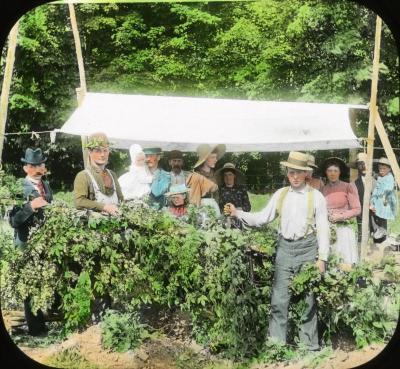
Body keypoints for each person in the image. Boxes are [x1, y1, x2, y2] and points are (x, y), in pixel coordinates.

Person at [224, 151, 329, 351]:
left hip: (307, 249)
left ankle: (310, 347)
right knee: (279, 300)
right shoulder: (280, 194)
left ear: (306, 173)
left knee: (308, 300)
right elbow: (262, 217)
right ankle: (276, 346)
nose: (295, 177)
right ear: (287, 173)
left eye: (299, 173)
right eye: (291, 173)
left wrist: (322, 258)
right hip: (284, 250)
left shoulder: (316, 197)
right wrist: (238, 212)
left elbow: (323, 228)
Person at [9, 147, 53, 336]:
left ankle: (44, 321)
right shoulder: (18, 187)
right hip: (26, 244)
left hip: (45, 242)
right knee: (30, 284)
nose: (37, 168)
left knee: (45, 281)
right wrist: (30, 207)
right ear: (26, 168)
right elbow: (13, 221)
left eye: (40, 164)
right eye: (33, 165)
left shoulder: (47, 185)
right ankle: (36, 329)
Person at [321, 157, 361, 266]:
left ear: (339, 172)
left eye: (335, 171)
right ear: (326, 172)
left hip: (344, 229)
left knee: (344, 261)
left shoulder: (348, 187)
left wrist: (340, 216)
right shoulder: (323, 189)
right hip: (328, 229)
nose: (332, 174)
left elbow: (357, 209)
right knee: (331, 261)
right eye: (329, 171)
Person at [74, 132, 123, 216]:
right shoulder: (83, 176)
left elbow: (121, 199)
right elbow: (79, 202)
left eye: (105, 150)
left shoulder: (112, 174)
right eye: (98, 151)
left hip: (116, 222)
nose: (102, 154)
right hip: (96, 225)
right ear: (90, 152)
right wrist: (104, 207)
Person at [370, 157, 397, 245]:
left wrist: (384, 197)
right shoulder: (380, 177)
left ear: (389, 169)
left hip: (386, 198)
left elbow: (388, 189)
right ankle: (378, 230)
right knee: (375, 214)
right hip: (378, 197)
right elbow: (377, 188)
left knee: (383, 215)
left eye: (384, 169)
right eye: (380, 168)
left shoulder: (389, 177)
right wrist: (373, 198)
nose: (381, 170)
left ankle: (383, 231)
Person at [215, 162, 251, 229]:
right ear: (223, 177)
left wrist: (237, 209)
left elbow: (248, 207)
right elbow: (216, 207)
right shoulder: (219, 190)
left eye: (230, 174)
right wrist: (225, 211)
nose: (228, 177)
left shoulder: (241, 189)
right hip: (224, 220)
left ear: (234, 176)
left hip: (239, 219)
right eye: (225, 175)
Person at [350, 152, 376, 242]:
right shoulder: (355, 183)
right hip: (362, 214)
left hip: (377, 214)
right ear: (357, 166)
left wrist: (375, 205)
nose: (364, 166)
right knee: (362, 237)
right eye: (361, 164)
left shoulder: (378, 180)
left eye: (366, 163)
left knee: (378, 238)